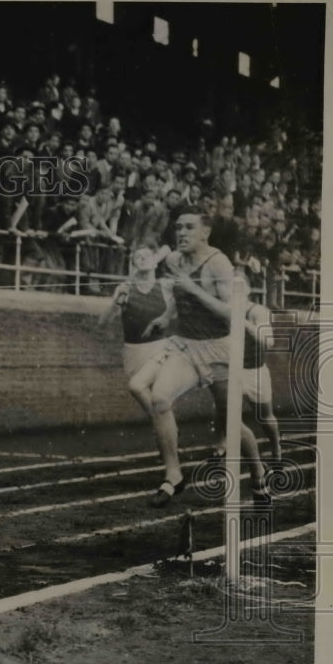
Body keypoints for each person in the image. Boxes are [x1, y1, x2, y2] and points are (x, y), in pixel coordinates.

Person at [129, 209, 268, 507]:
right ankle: (174, 475)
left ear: (205, 233)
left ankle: (257, 473)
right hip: (186, 347)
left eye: (189, 228)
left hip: (219, 349)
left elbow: (232, 312)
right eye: (178, 227)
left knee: (232, 424)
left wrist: (192, 287)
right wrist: (166, 318)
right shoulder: (175, 260)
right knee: (160, 399)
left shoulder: (218, 263)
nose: (181, 233)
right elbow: (180, 301)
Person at [98, 246, 174, 407]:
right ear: (134, 265)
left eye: (147, 255)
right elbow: (103, 323)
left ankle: (164, 424)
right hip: (134, 351)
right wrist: (115, 303)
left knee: (157, 396)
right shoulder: (124, 289)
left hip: (159, 348)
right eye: (138, 257)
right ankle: (165, 426)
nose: (143, 258)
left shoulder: (165, 286)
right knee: (149, 398)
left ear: (155, 263)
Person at [211, 300, 282, 466]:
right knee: (222, 409)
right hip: (231, 370)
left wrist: (241, 321)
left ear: (247, 288)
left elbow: (268, 341)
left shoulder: (257, 311)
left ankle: (276, 446)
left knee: (265, 416)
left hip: (255, 372)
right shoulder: (221, 307)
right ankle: (221, 444)